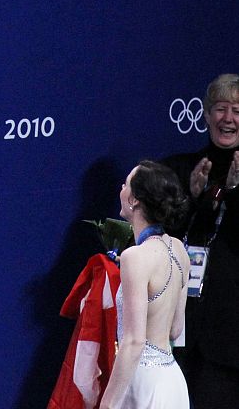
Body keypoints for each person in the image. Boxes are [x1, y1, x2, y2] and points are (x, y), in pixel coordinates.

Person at [162, 74, 239, 409]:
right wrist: (191, 197)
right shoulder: (179, 169)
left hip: (230, 339)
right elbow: (159, 236)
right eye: (220, 109)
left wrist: (233, 194)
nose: (228, 118)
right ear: (205, 116)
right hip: (178, 331)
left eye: (237, 109)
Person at [100, 160, 190, 409]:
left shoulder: (135, 258)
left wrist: (107, 404)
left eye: (126, 183)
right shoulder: (179, 249)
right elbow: (175, 330)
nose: (121, 187)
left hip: (143, 386)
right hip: (173, 383)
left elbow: (134, 341)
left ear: (135, 199)